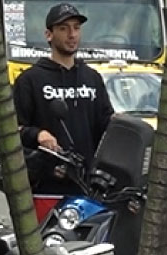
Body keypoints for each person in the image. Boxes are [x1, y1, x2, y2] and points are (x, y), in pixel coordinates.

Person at [14, 2, 114, 202]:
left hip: (89, 188)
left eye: (76, 28)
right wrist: (38, 134)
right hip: (46, 188)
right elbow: (13, 130)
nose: (72, 34)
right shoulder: (29, 80)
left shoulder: (92, 78)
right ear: (49, 35)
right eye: (63, 28)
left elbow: (106, 124)